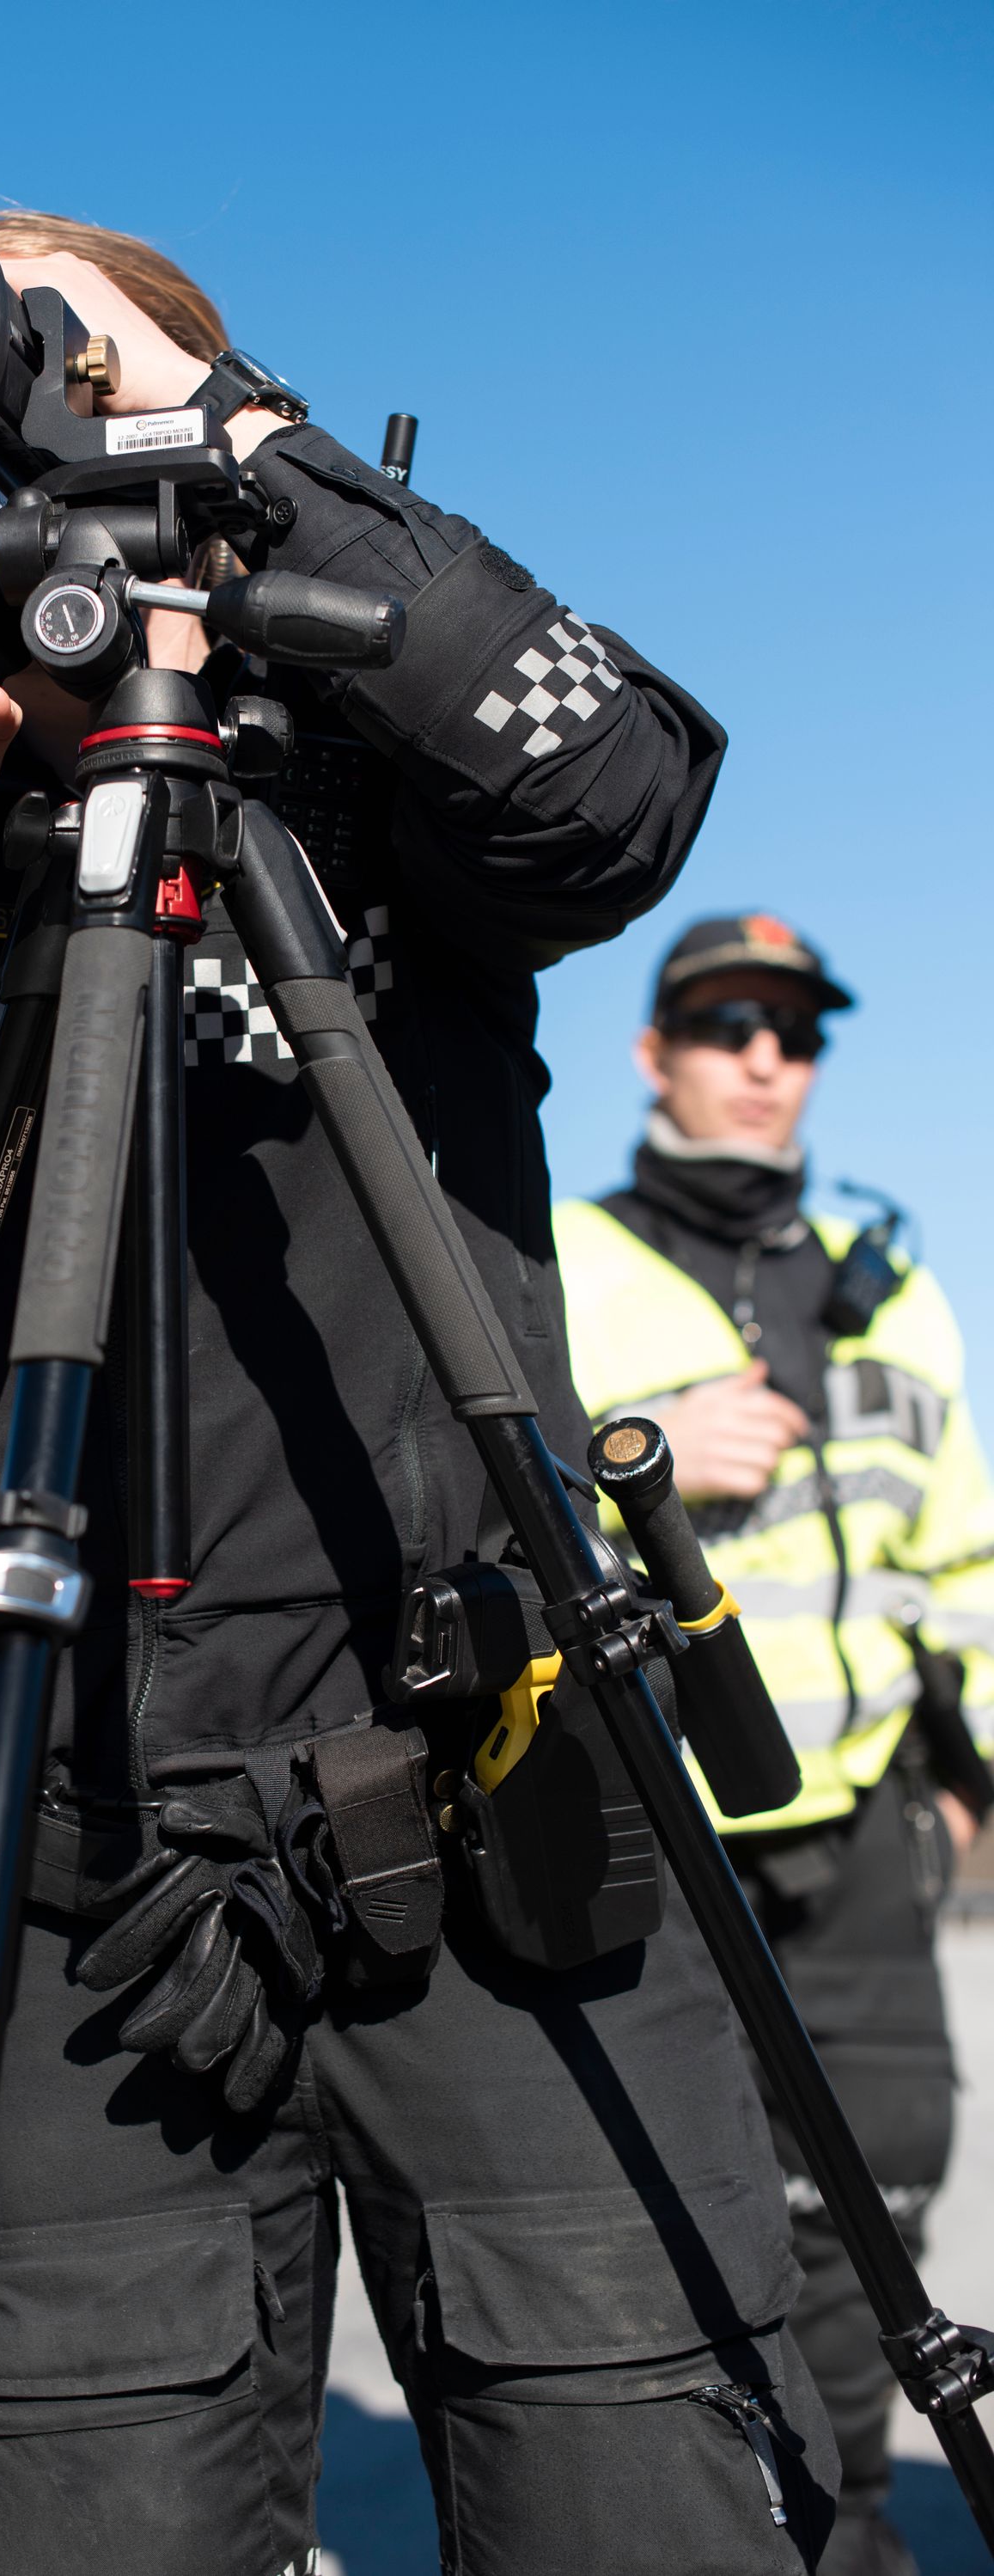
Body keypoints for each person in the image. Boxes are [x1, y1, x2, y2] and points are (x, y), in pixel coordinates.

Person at [0, 214, 839, 2573]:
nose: (37, 441)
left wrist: (229, 441)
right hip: (76, 1890)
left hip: (499, 1825)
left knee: (648, 2490)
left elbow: (623, 779)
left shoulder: (381, 797)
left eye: (79, 381)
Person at [555, 912, 994, 2576]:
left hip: (866, 1835)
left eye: (791, 1031)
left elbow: (965, 1562)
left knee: (869, 2222)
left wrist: (962, 1785)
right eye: (724, 1021)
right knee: (656, 2228)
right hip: (657, 1832)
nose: (761, 1057)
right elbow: (470, 1510)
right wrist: (646, 1459)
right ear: (652, 1052)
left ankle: (856, 2532)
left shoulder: (895, 1286)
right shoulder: (557, 1258)